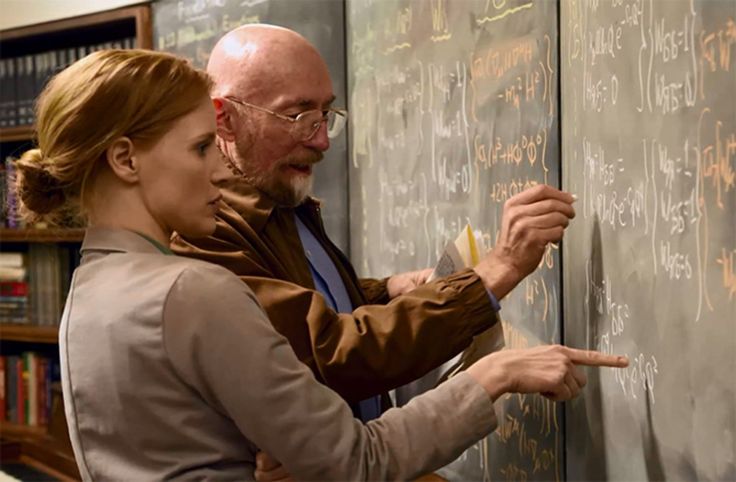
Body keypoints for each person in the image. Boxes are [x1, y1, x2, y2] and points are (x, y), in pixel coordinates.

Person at [15, 49, 628, 481]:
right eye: (201, 147)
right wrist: (493, 376)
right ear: (125, 160)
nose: (219, 167)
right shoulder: (192, 288)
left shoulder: (89, 288)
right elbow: (356, 462)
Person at [171, 23, 579, 421]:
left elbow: (306, 305)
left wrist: (385, 292)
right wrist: (496, 271)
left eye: (326, 113)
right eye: (297, 116)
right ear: (224, 118)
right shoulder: (209, 230)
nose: (321, 140)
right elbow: (328, 354)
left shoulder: (278, 195)